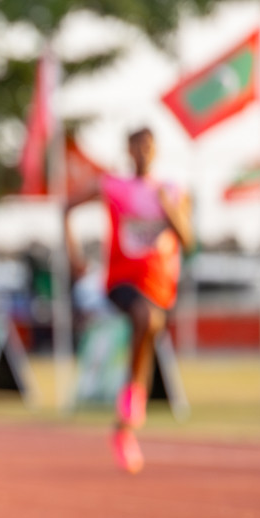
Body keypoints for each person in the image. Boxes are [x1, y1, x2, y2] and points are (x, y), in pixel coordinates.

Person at [65, 126, 192, 474]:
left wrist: (170, 210)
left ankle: (125, 427)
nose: (142, 153)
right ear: (127, 150)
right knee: (143, 319)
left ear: (156, 151)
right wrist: (73, 253)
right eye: (136, 146)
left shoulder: (171, 190)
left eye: (148, 146)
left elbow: (188, 239)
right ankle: (130, 404)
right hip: (122, 280)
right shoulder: (113, 186)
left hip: (160, 286)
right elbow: (67, 206)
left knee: (150, 333)